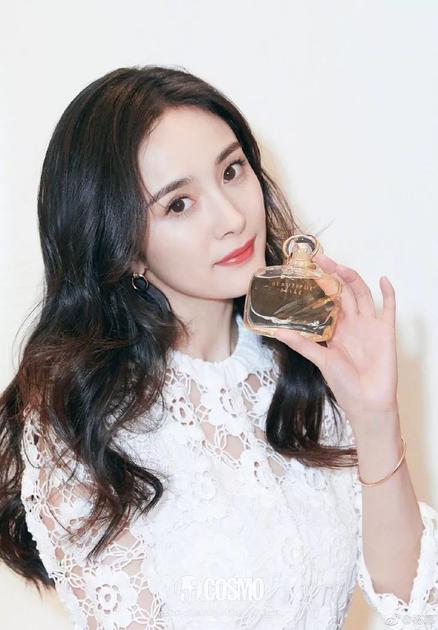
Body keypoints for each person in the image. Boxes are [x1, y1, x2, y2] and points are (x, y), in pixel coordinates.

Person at [0, 65, 437, 630]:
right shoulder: (81, 422)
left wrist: (374, 417)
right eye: (178, 204)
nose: (233, 218)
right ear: (122, 246)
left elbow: (412, 604)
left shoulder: (305, 364)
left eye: (232, 171)